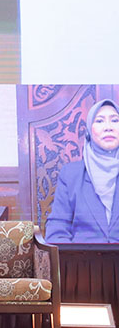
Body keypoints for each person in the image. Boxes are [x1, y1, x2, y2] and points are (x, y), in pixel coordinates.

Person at [47, 99, 119, 243]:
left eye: (115, 120)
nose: (108, 127)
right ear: (89, 131)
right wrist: (73, 262)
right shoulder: (71, 175)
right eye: (99, 121)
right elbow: (56, 231)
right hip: (82, 262)